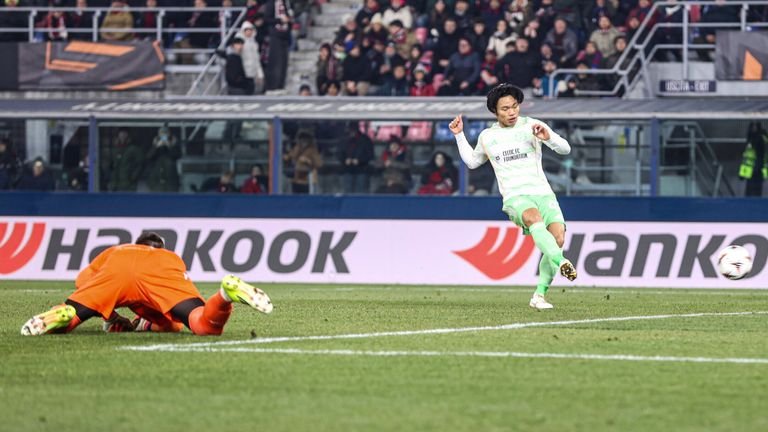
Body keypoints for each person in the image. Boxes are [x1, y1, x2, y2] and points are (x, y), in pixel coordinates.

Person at [449, 83, 576, 310]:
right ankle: (563, 262)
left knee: (557, 240)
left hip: (543, 192)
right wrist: (459, 136)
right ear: (495, 112)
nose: (511, 112)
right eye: (505, 109)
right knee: (533, 218)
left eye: (515, 106)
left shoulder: (533, 125)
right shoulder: (488, 136)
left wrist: (548, 137)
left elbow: (565, 149)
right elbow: (472, 161)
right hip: (515, 196)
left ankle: (539, 296)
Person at [20, 232, 272, 337]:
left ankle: (63, 314)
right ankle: (225, 294)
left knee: (72, 314)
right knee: (203, 324)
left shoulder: (116, 250)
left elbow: (83, 283)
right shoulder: (169, 258)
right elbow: (172, 323)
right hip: (159, 275)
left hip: (116, 270)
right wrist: (144, 323)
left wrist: (111, 315)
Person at [339, 123, 375, 194]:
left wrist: (359, 160)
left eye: (353, 130)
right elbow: (339, 153)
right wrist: (345, 160)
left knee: (360, 192)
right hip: (347, 170)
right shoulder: (344, 139)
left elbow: (370, 155)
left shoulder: (365, 140)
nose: (352, 132)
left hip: (361, 170)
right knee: (348, 192)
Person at [284, 130, 323, 194]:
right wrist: (287, 157)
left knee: (307, 199)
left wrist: (307, 161)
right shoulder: (297, 148)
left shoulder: (312, 150)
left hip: (308, 181)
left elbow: (319, 164)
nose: (303, 141)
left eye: (305, 139)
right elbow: (289, 156)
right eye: (301, 139)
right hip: (297, 180)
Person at [145, 125, 181, 192]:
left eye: (166, 133)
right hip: (156, 181)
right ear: (159, 135)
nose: (164, 136)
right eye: (162, 133)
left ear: (169, 134)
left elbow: (177, 156)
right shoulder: (154, 145)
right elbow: (148, 157)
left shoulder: (174, 145)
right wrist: (156, 146)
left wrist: (170, 146)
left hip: (171, 182)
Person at [740, 122, 768, 197]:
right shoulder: (752, 139)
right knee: (752, 191)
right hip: (753, 170)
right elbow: (746, 159)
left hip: (758, 170)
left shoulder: (760, 138)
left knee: (755, 191)